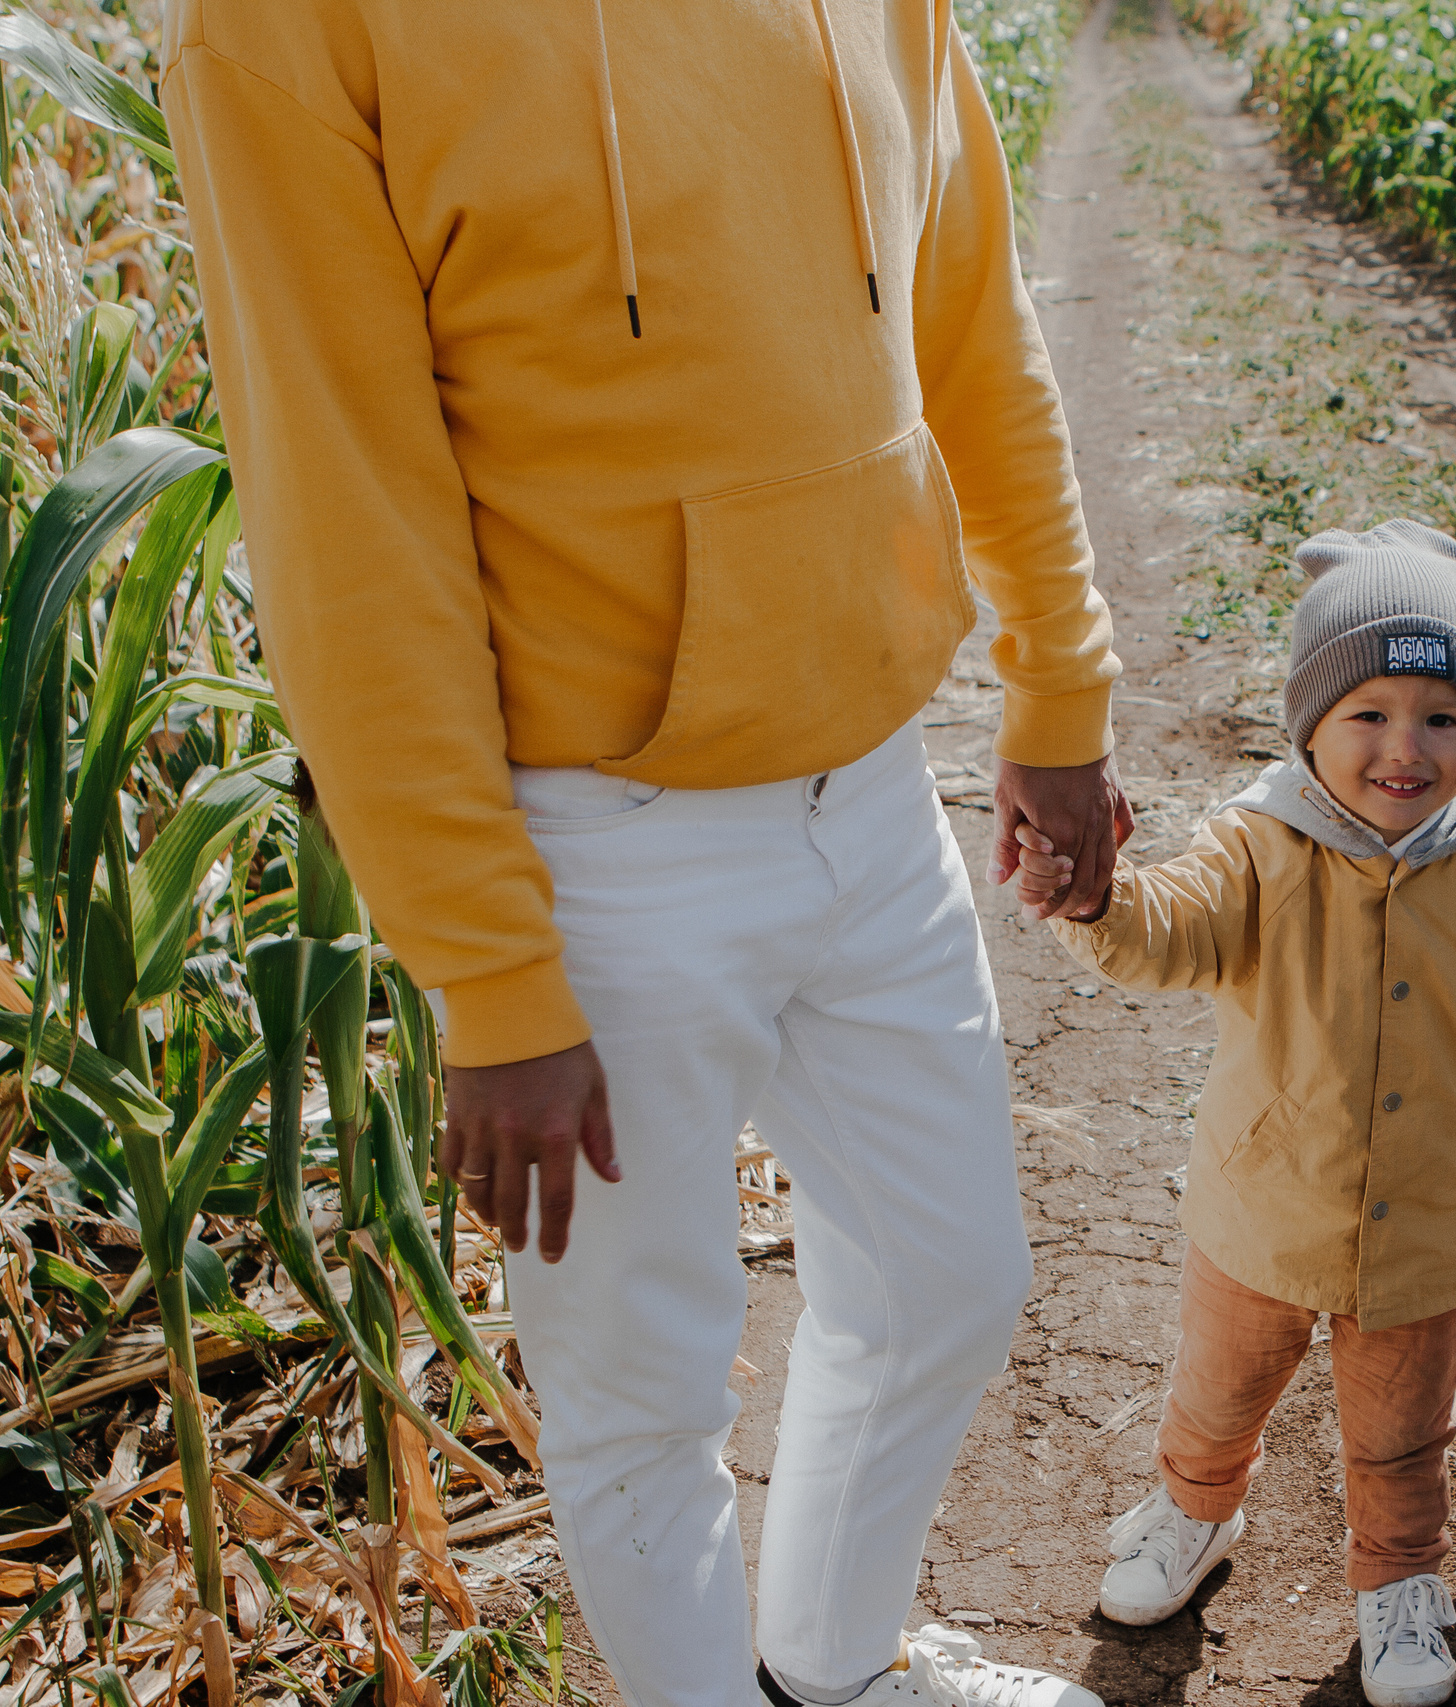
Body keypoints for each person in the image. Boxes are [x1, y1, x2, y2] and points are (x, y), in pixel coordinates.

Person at [162, 6, 1128, 1705]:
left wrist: (1060, 681)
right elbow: (347, 512)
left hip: (876, 791)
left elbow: (970, 311)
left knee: (950, 1285)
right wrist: (491, 965)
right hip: (589, 841)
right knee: (643, 1410)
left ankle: (831, 1665)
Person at [1014, 521, 1456, 1707]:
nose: (1403, 747)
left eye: (1440, 717)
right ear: (1309, 723)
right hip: (1261, 1210)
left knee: (1401, 1437)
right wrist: (1101, 895)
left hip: (1421, 1231)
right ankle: (1193, 1514)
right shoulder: (1257, 848)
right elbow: (1167, 932)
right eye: (1367, 712)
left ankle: (1399, 1581)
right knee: (1215, 1397)